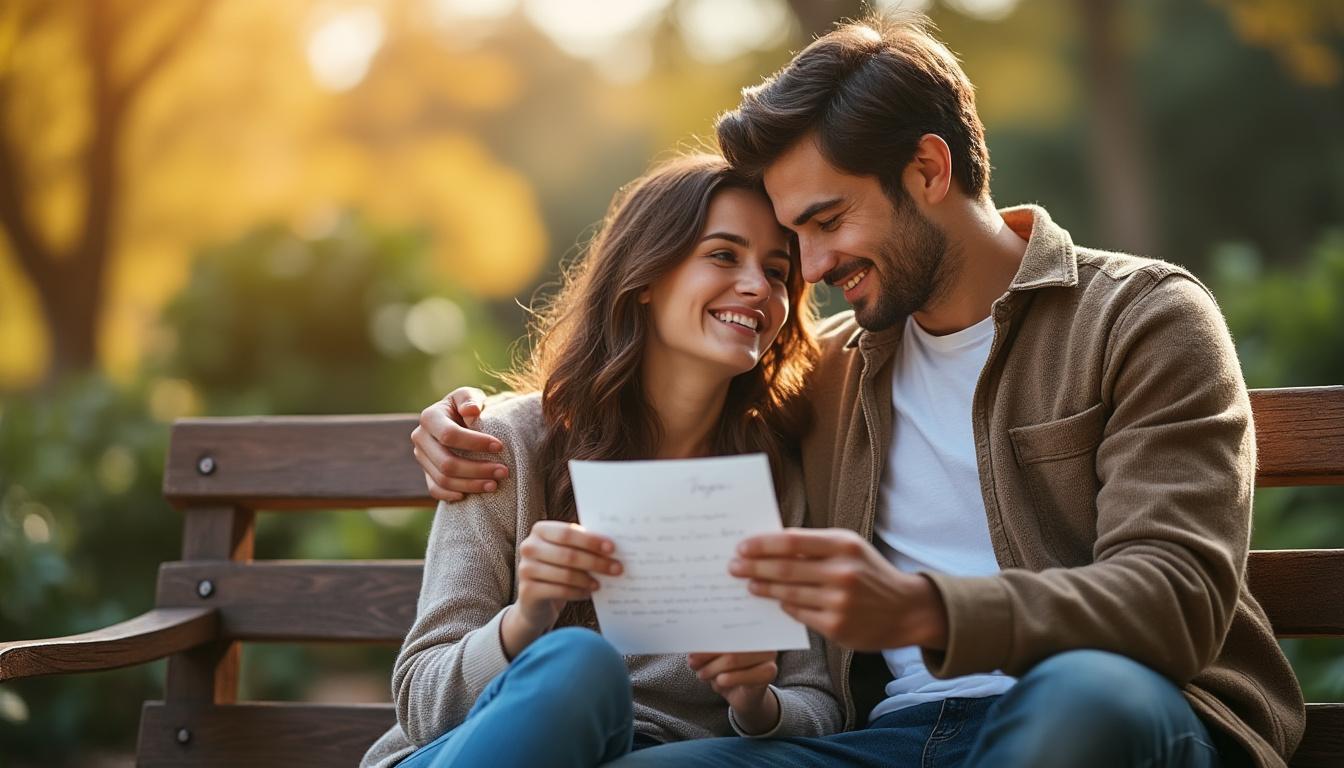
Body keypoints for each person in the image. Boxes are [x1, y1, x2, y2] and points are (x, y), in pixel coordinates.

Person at [416, 13, 1305, 768]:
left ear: (928, 169)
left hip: (1109, 712)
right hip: (887, 741)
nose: (804, 272)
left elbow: (1177, 597)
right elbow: (651, 390)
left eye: (824, 223)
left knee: (1081, 696)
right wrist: (465, 423)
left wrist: (921, 609)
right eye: (787, 239)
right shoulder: (832, 370)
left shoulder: (1140, 317)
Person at [361, 154, 841, 768]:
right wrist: (526, 621)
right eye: (724, 255)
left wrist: (756, 700)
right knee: (580, 667)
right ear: (645, 277)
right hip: (470, 750)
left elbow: (820, 704)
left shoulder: (773, 478)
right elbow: (421, 701)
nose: (757, 286)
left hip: (658, 761)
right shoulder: (507, 446)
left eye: (777, 271)